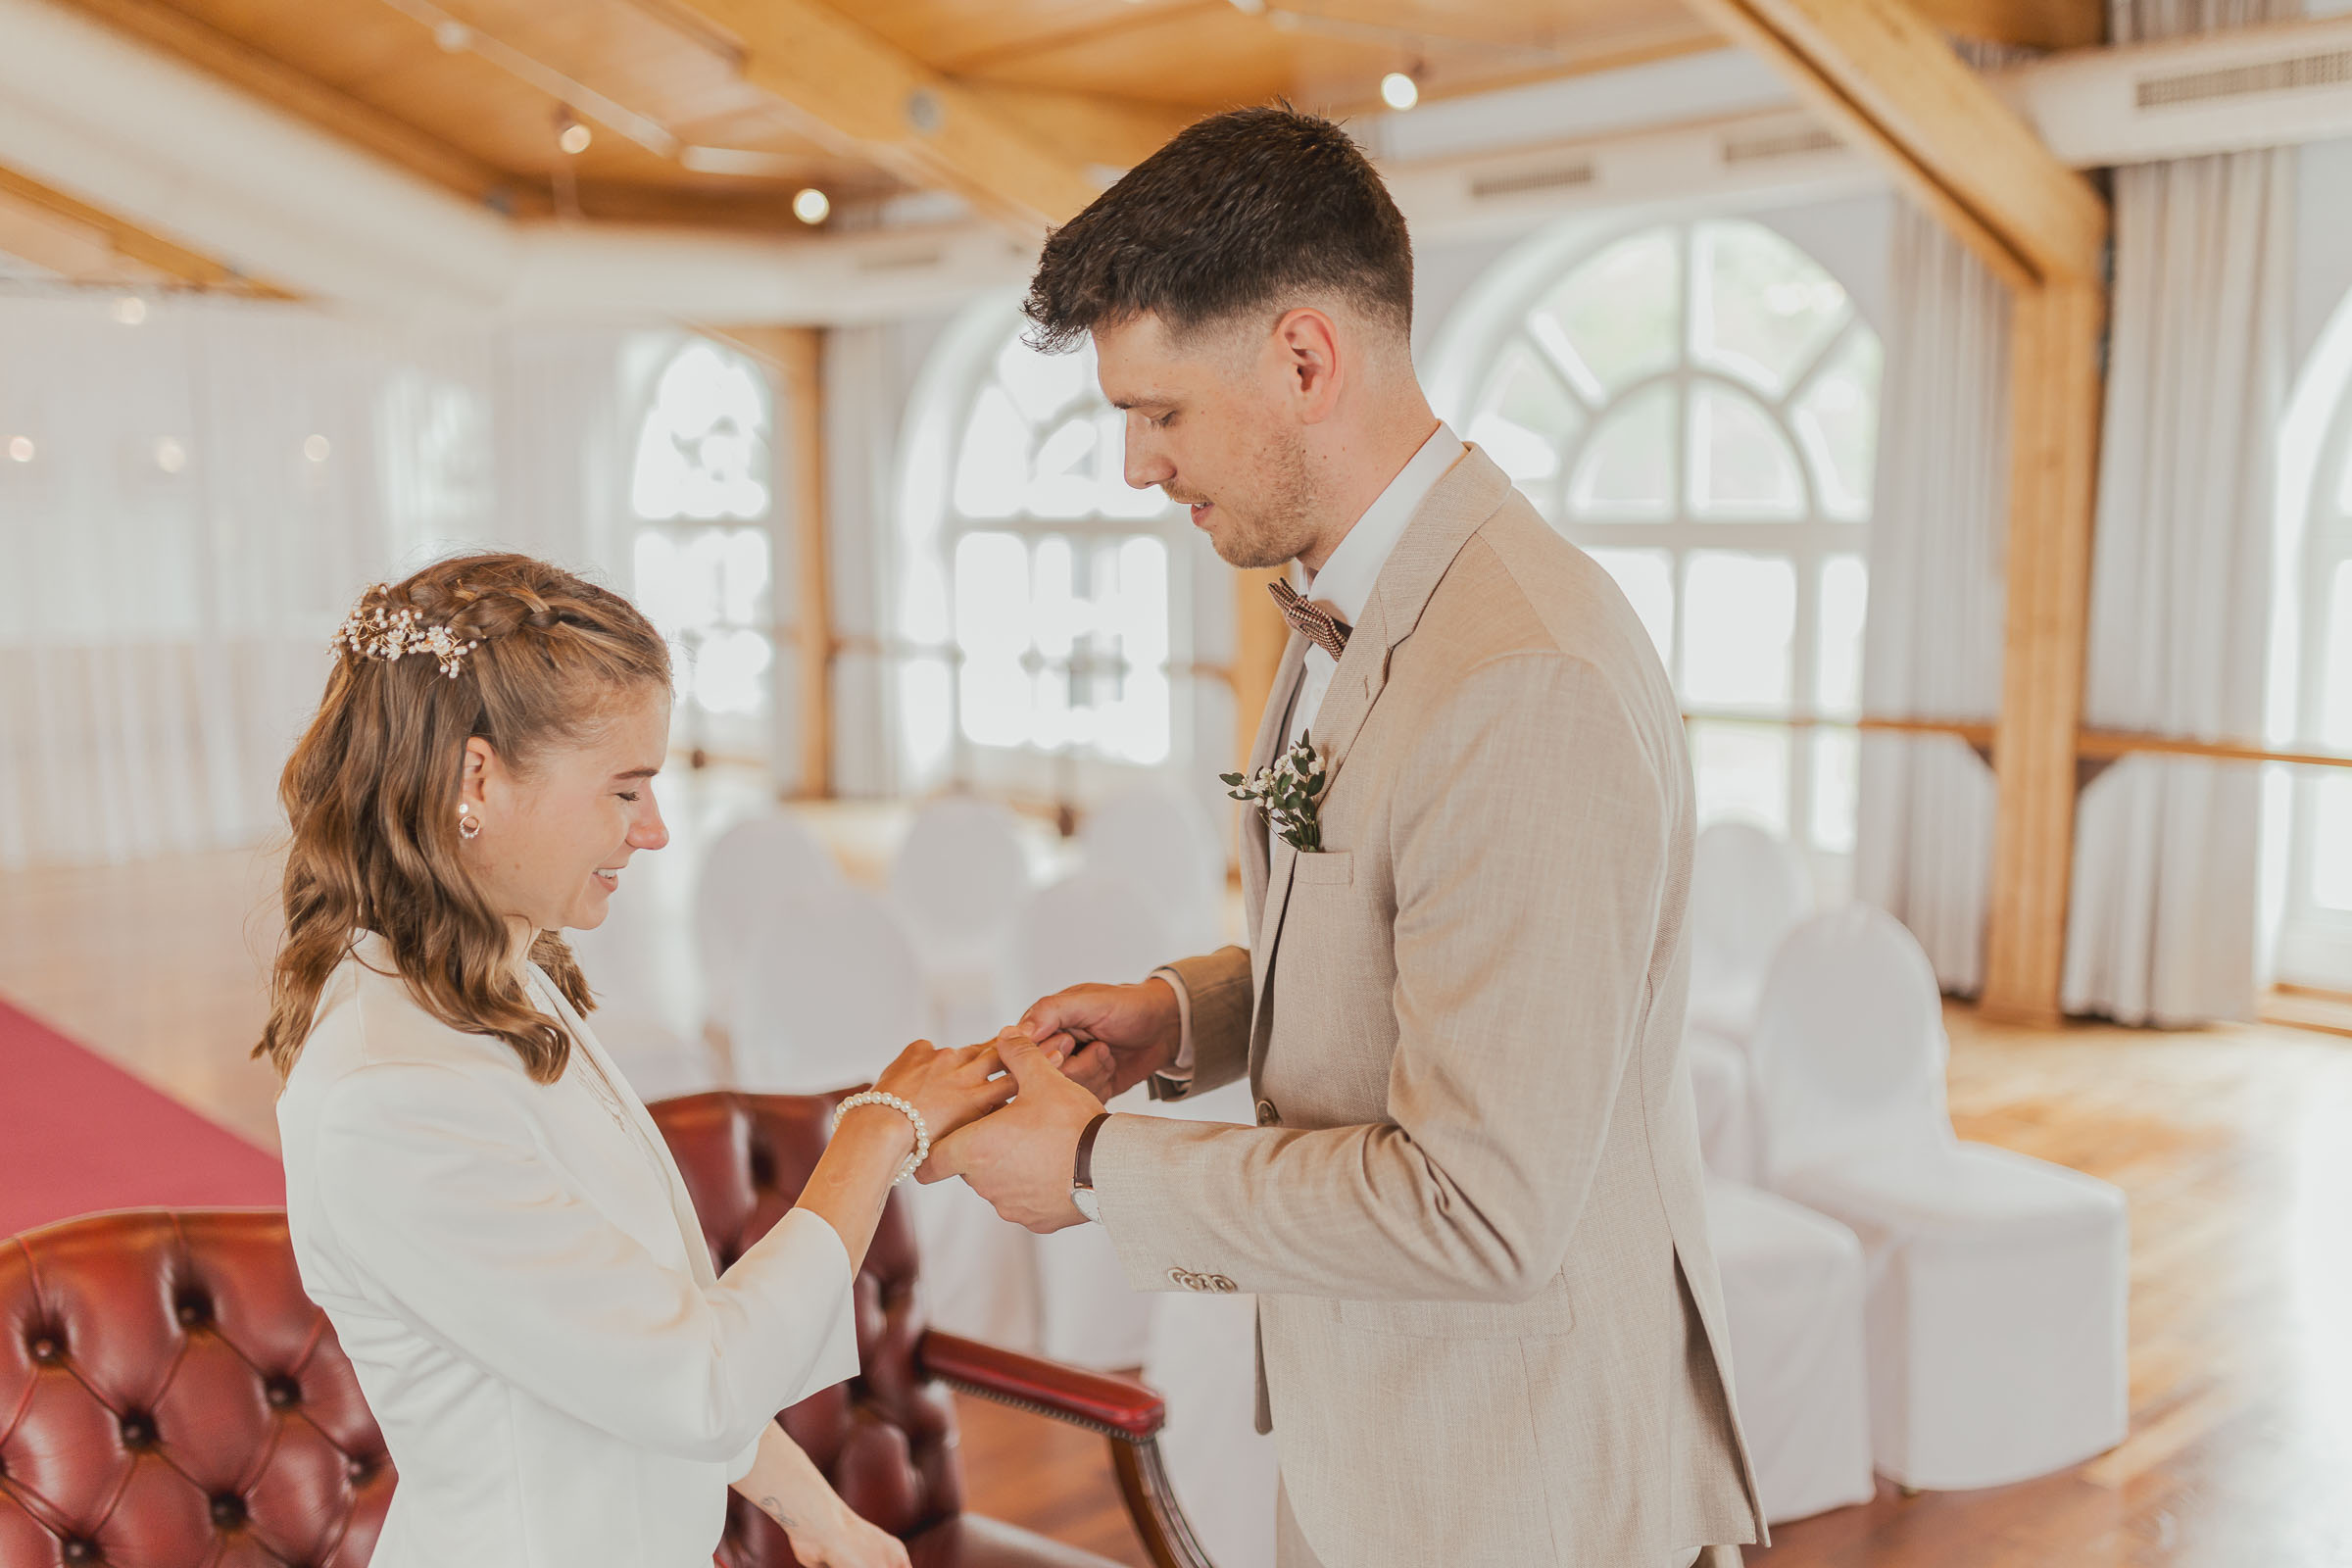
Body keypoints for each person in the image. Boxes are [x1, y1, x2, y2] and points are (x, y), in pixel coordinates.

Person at [925, 109, 1767, 1567]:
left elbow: (1479, 1210)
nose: (1136, 466)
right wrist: (1182, 1019)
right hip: (1383, 1431)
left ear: (1305, 359)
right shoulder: (1362, 600)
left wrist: (1093, 1171)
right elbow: (1401, 935)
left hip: (1518, 1482)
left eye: (1161, 412)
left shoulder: (1522, 681)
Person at [264, 555, 1009, 1568]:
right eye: (625, 788)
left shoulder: (501, 977)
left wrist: (813, 1512)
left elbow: (635, 1324)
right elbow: (697, 1373)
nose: (654, 831)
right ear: (477, 777)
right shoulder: (388, 1096)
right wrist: (875, 1132)